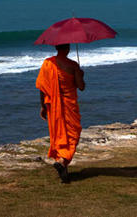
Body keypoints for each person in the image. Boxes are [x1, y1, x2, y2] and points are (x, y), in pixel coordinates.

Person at [35, 43, 85, 183]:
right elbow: (81, 87)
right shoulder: (73, 65)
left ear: (56, 48)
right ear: (68, 48)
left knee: (58, 135)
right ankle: (62, 161)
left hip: (53, 106)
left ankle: (62, 166)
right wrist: (81, 75)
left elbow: (42, 88)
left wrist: (42, 107)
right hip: (69, 105)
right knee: (73, 134)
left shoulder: (48, 63)